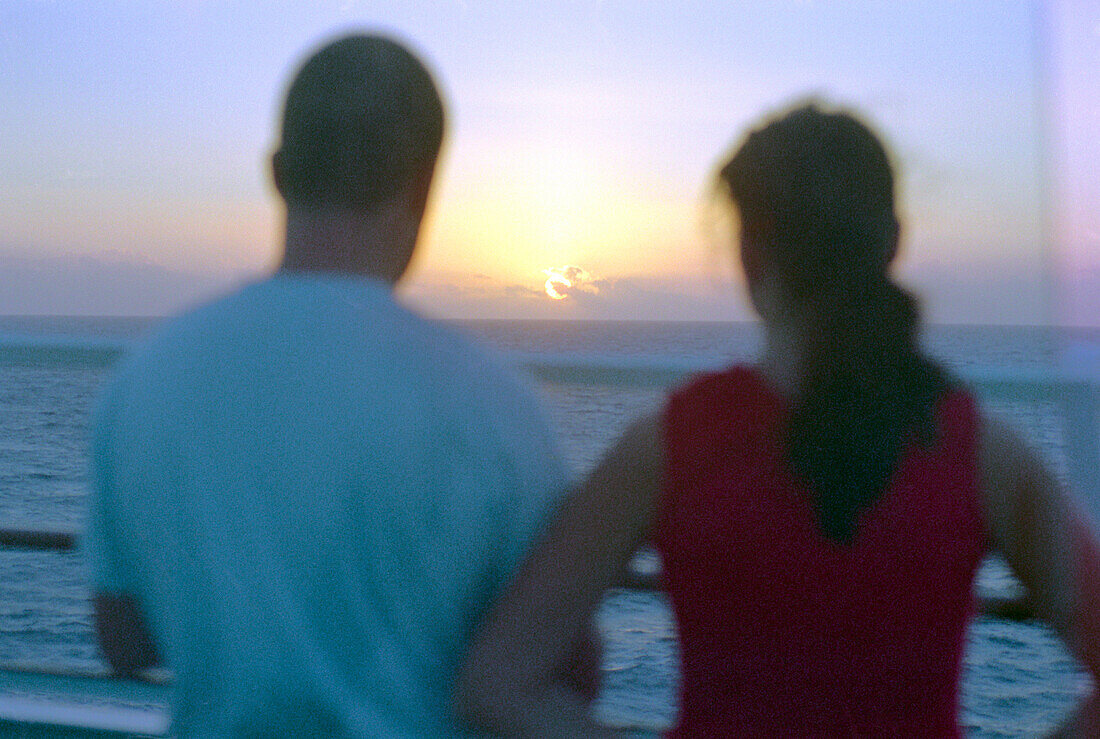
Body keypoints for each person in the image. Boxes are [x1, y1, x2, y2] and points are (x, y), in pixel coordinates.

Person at [455, 103, 1100, 736]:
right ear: (892, 242)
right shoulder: (980, 454)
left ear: (750, 259)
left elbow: (497, 685)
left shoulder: (673, 448)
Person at [83, 33, 574, 736]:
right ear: (422, 184)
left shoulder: (144, 377)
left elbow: (123, 641)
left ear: (277, 173)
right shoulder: (495, 402)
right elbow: (566, 667)